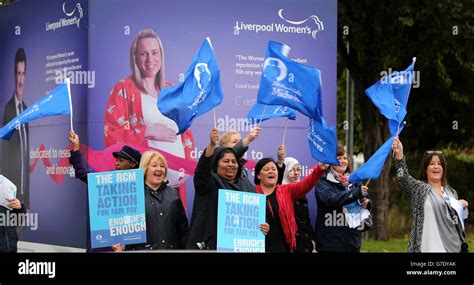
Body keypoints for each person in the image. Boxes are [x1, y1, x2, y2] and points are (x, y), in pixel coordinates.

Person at [103, 28, 194, 188]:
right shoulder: (124, 89)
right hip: (144, 186)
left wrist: (187, 166)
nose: (149, 59)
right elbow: (111, 135)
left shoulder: (171, 90)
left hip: (175, 187)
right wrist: (148, 131)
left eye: (154, 53)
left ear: (161, 55)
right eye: (143, 53)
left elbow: (186, 131)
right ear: (135, 58)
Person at [186, 128, 268, 250]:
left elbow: (257, 213)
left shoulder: (246, 185)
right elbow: (202, 170)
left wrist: (264, 225)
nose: (230, 164)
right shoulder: (208, 182)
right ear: (216, 164)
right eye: (226, 161)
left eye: (234, 162)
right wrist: (212, 145)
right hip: (209, 246)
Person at [392, 137, 469, 252]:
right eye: (432, 163)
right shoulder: (420, 189)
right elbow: (403, 178)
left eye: (439, 164)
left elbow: (456, 223)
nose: (436, 166)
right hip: (425, 248)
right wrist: (399, 155)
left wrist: (461, 207)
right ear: (425, 168)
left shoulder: (452, 193)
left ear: (443, 168)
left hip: (451, 249)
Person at [112, 151, 189, 251]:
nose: (159, 169)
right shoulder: (133, 194)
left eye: (162, 166)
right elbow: (124, 231)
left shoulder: (173, 193)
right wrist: (122, 245)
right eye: (154, 165)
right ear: (145, 169)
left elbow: (183, 230)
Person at [254, 157, 326, 252]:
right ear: (259, 175)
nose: (271, 171)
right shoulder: (251, 193)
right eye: (266, 169)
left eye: (273, 169)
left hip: (285, 248)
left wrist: (319, 170)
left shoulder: (287, 190)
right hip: (259, 247)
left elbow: (306, 184)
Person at [314, 145, 371, 253]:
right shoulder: (322, 181)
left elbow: (366, 199)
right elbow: (330, 199)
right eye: (338, 158)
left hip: (353, 242)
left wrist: (366, 203)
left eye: (344, 158)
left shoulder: (355, 180)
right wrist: (354, 194)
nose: (343, 161)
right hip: (331, 244)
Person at [2, 48, 30, 209]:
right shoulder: (8, 110)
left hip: (22, 199)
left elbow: (26, 160)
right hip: (9, 198)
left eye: (23, 73)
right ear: (14, 76)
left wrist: (26, 204)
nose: (20, 80)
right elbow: (6, 158)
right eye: (18, 74)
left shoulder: (26, 110)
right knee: (11, 234)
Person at [275, 144, 316, 253]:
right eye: (292, 170)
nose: (296, 173)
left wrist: (312, 239)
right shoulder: (279, 189)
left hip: (303, 243)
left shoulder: (302, 192)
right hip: (284, 242)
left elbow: (306, 220)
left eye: (298, 170)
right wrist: (280, 160)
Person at [68, 130, 141, 184]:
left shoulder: (142, 182)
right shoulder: (109, 178)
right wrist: (76, 146)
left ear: (133, 164)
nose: (117, 163)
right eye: (116, 160)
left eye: (121, 160)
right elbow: (82, 174)